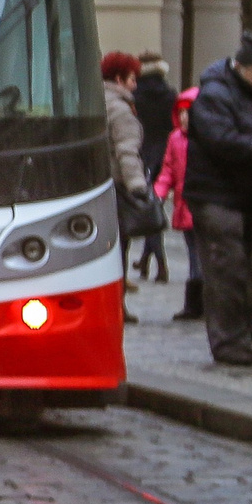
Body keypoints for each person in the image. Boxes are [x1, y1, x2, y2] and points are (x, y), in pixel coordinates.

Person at [184, 34, 252, 367]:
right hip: (216, 196)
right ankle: (227, 342)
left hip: (250, 198)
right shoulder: (215, 96)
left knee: (250, 270)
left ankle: (242, 335)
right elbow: (223, 142)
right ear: (239, 67)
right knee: (227, 269)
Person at [102, 52, 150, 325]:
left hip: (98, 185)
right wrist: (137, 186)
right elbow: (126, 152)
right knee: (119, 249)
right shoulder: (121, 109)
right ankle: (116, 305)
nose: (135, 85)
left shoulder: (94, 100)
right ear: (119, 79)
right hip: (117, 187)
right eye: (132, 78)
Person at [153, 86, 196, 313]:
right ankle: (194, 303)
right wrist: (158, 193)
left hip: (200, 206)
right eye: (180, 112)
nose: (184, 117)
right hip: (184, 205)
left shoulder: (205, 139)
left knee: (201, 258)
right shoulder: (176, 138)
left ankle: (197, 302)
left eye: (188, 112)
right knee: (193, 254)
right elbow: (168, 169)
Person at [134, 55, 178, 190]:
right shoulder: (170, 94)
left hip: (139, 149)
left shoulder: (132, 95)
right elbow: (173, 124)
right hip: (163, 149)